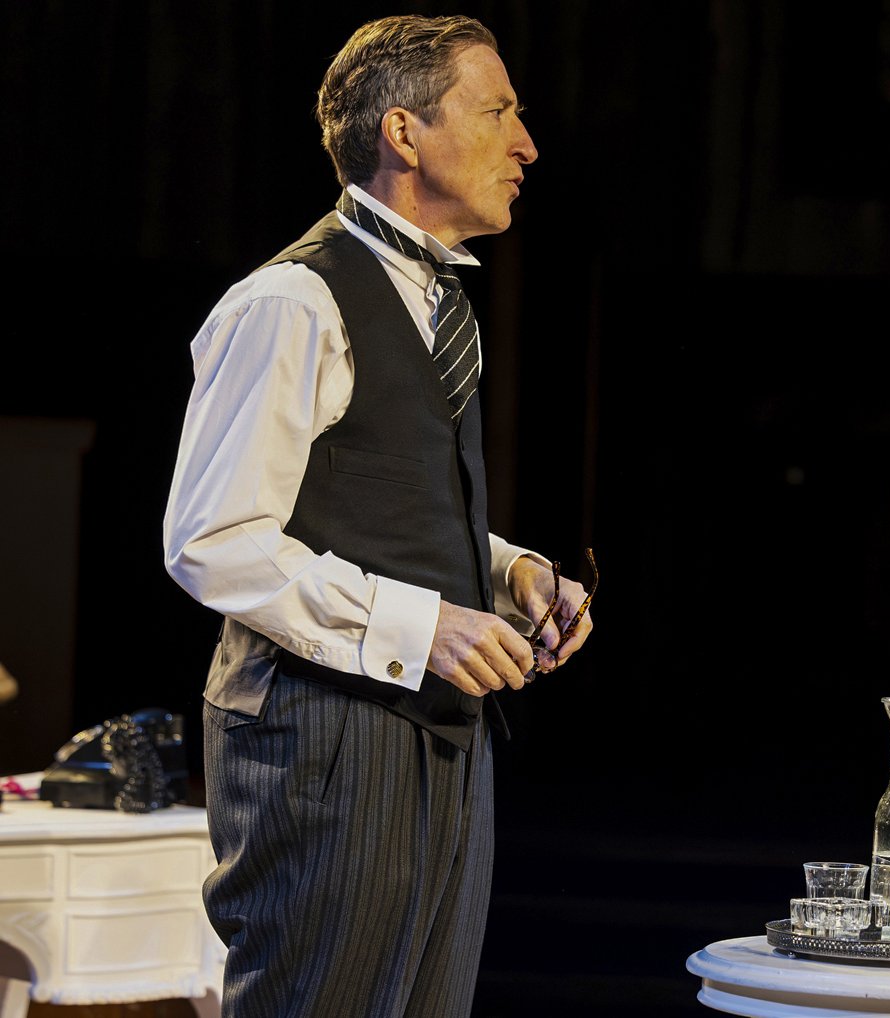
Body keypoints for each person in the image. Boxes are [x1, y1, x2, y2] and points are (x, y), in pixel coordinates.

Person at [162, 15, 592, 1016]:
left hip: (435, 727)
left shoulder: (436, 301)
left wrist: (502, 573)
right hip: (323, 737)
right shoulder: (292, 300)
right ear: (404, 133)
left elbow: (364, 500)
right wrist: (424, 625)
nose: (525, 145)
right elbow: (212, 538)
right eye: (497, 113)